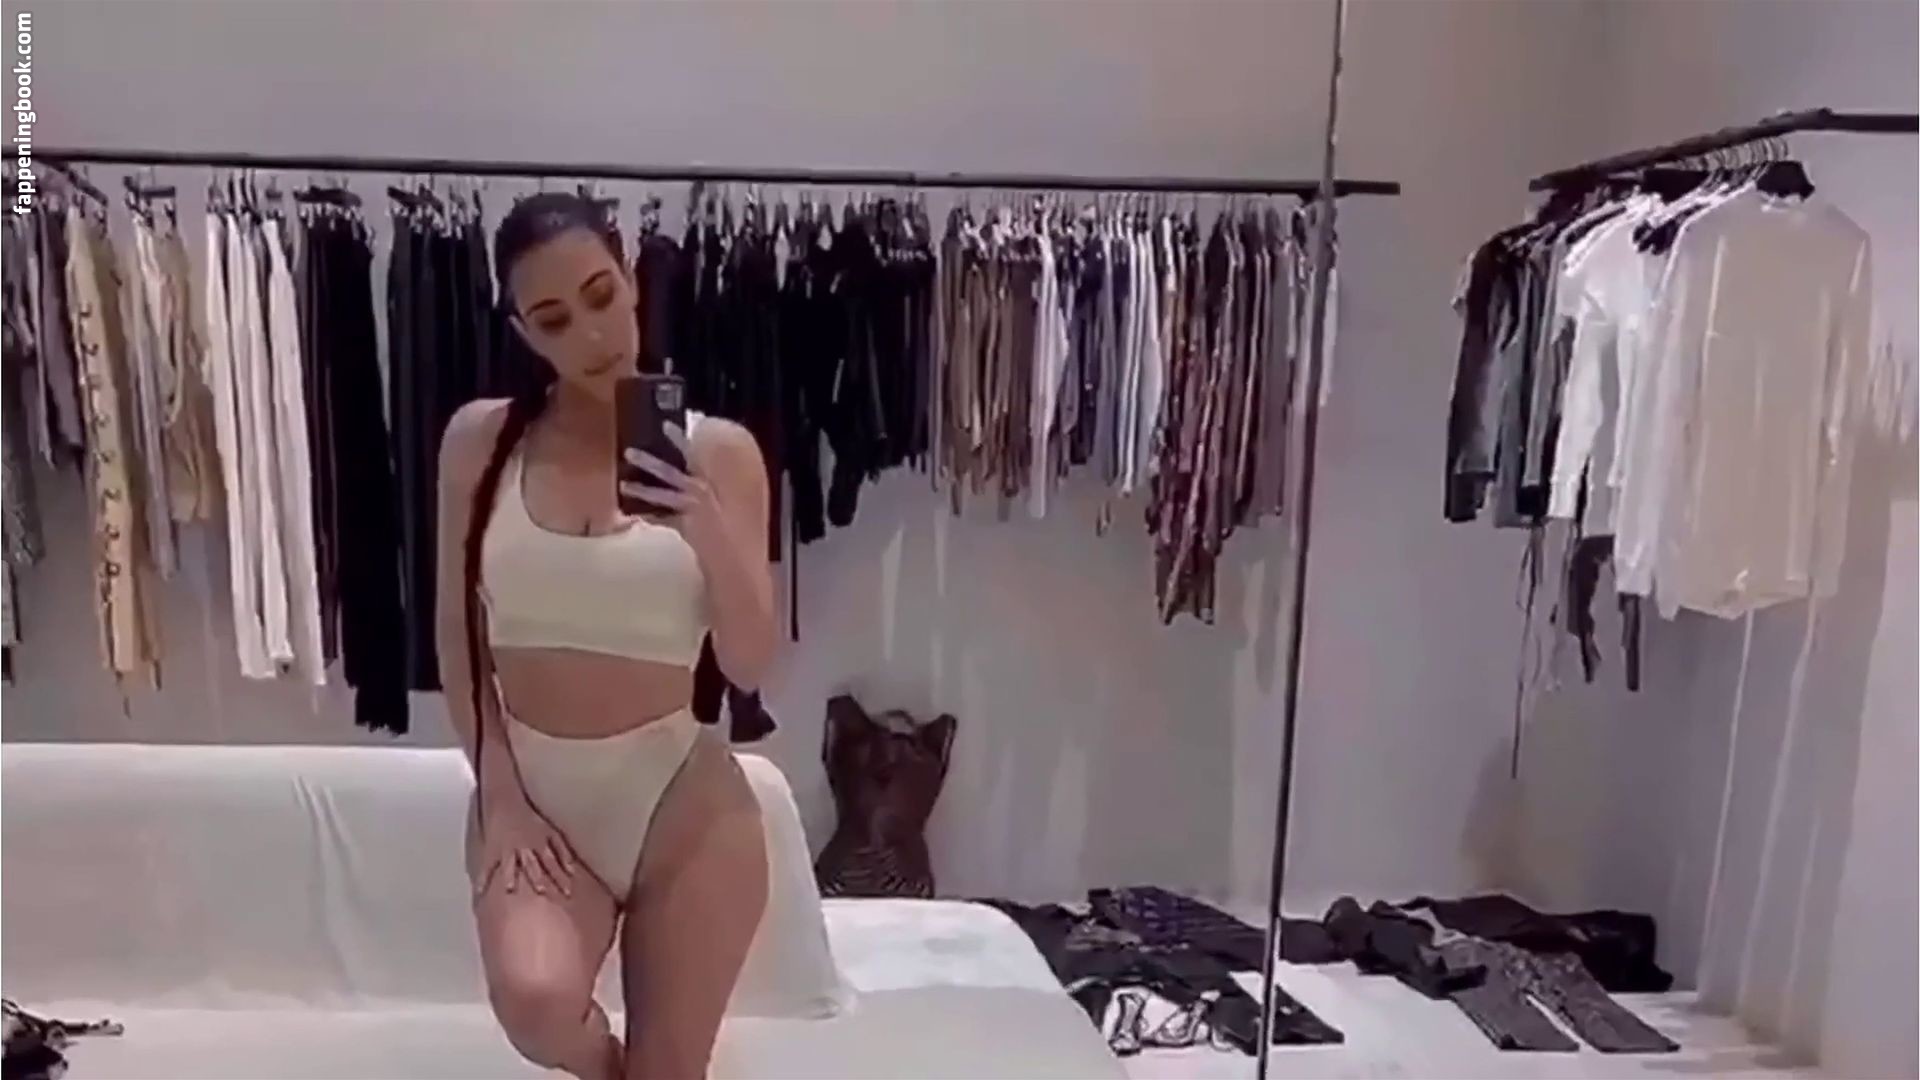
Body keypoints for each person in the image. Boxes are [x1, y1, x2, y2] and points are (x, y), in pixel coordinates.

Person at [437, 192, 775, 1080]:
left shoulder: (721, 454)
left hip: (682, 805)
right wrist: (499, 796)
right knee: (537, 1005)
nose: (591, 334)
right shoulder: (481, 444)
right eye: (554, 319)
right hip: (534, 796)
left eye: (599, 295)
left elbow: (750, 663)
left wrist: (706, 527)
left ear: (630, 278)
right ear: (523, 332)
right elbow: (458, 639)